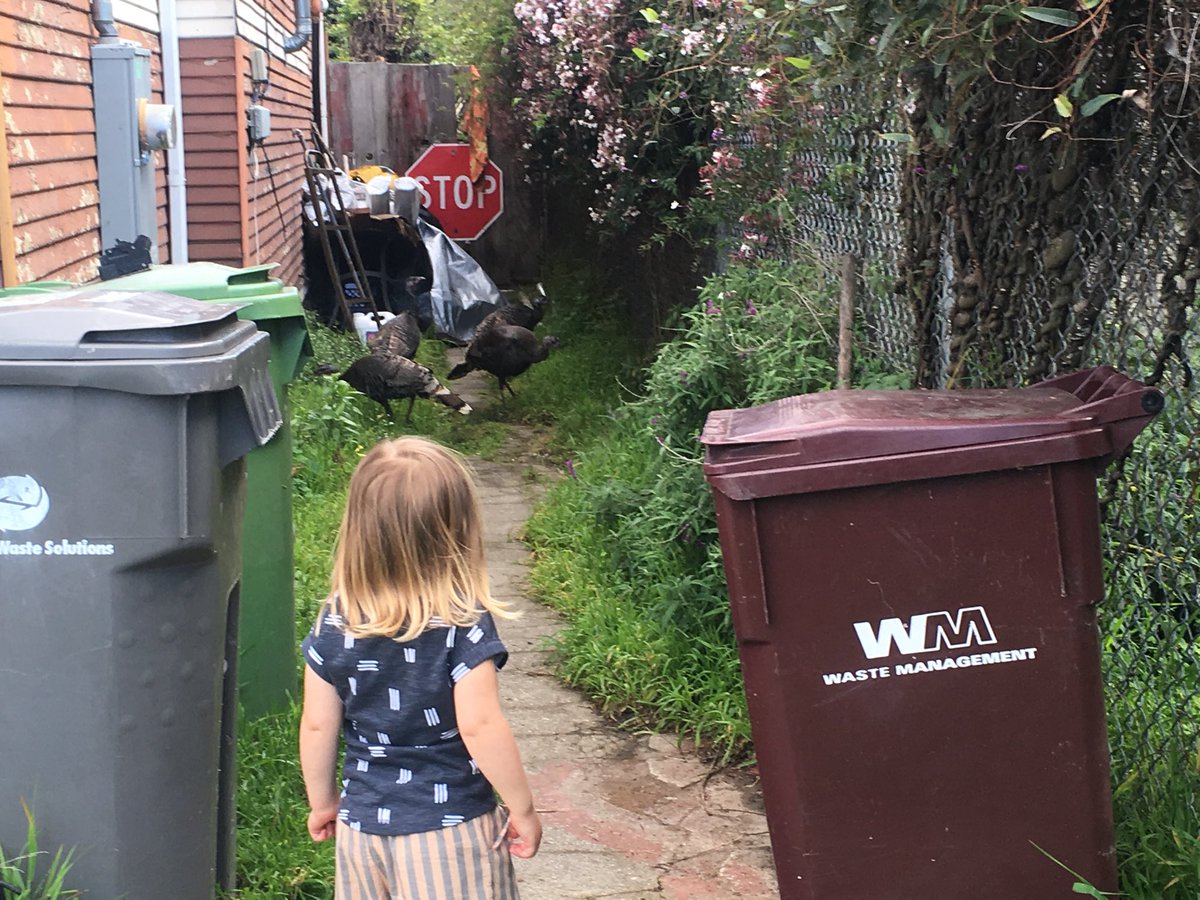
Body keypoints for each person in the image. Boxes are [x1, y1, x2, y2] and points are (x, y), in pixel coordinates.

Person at [299, 436, 542, 898]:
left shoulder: (334, 619)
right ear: (457, 533)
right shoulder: (461, 623)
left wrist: (323, 802)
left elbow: (316, 725)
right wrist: (521, 806)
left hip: (362, 830)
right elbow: (481, 724)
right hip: (450, 830)